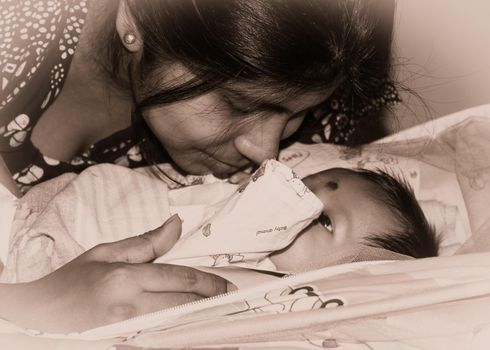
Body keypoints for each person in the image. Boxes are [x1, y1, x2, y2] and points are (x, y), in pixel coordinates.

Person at [0, 0, 398, 334]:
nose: (266, 150)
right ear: (135, 21)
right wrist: (27, 303)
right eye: (238, 105)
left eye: (300, 113)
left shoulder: (319, 99)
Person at [3, 160, 438, 284]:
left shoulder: (257, 287)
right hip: (54, 214)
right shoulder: (229, 199)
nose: (298, 201)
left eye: (323, 221)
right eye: (302, 184)